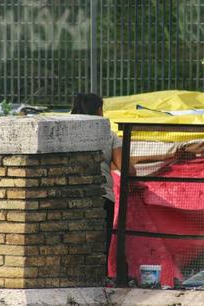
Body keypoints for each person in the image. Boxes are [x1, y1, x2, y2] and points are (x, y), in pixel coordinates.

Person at [71, 92, 135, 266]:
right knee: (100, 243)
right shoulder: (108, 135)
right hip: (102, 196)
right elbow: (127, 169)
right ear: (98, 110)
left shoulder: (66, 132)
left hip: (69, 196)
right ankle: (99, 279)